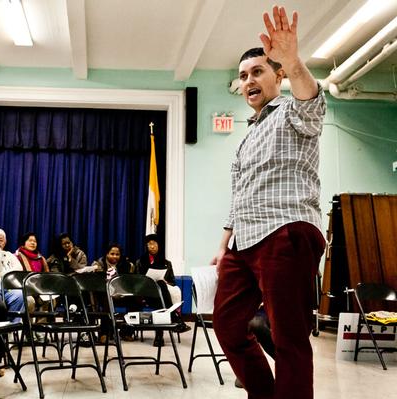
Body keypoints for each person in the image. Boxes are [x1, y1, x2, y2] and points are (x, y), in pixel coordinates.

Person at [211, 7, 326, 399]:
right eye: (243, 76)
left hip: (286, 231)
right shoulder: (246, 136)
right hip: (244, 242)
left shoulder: (292, 110)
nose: (248, 81)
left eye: (257, 71)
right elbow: (239, 192)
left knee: (288, 336)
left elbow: (312, 103)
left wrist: (293, 61)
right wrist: (224, 242)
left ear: (277, 76)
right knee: (226, 326)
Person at [136, 234, 190, 346]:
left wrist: (166, 282)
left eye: (154, 243)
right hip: (146, 293)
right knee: (160, 296)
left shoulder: (167, 263)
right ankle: (174, 317)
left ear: (159, 246)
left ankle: (159, 337)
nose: (152, 246)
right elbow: (137, 281)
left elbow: (173, 282)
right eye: (149, 244)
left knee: (160, 290)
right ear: (146, 246)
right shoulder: (140, 262)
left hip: (161, 294)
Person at [91, 242, 136, 342]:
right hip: (104, 295)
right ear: (106, 254)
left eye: (117, 254)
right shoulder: (98, 264)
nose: (115, 256)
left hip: (121, 294)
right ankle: (105, 333)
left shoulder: (126, 265)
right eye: (112, 254)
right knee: (107, 298)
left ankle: (126, 332)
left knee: (135, 299)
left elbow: (130, 282)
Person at [0, 228, 25, 321]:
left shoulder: (9, 254)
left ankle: (12, 326)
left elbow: (18, 270)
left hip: (9, 287)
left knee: (20, 295)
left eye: (1, 240)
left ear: (5, 242)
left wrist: (3, 275)